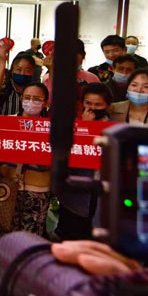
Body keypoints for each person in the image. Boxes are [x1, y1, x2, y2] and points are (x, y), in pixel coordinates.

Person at [55, 82, 113, 241]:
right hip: (74, 196)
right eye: (88, 103)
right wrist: (84, 127)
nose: (92, 108)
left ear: (107, 105)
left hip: (101, 196)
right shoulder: (72, 126)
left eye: (98, 104)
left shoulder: (114, 129)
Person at [0, 82, 51, 238]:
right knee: (5, 232)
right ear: (21, 99)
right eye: (27, 97)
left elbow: (57, 161)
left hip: (38, 190)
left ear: (45, 103)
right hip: (9, 187)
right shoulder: (6, 123)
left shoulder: (50, 128)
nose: (31, 102)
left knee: (31, 237)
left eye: (37, 99)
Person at [42, 39, 99, 105]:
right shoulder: (48, 78)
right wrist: (51, 71)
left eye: (74, 56)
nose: (70, 60)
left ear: (83, 55)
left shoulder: (92, 78)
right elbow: (51, 101)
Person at [0, 43, 36, 116]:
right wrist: (2, 61)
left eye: (27, 70)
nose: (22, 73)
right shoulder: (5, 88)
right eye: (18, 69)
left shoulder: (37, 91)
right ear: (12, 70)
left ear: (33, 72)